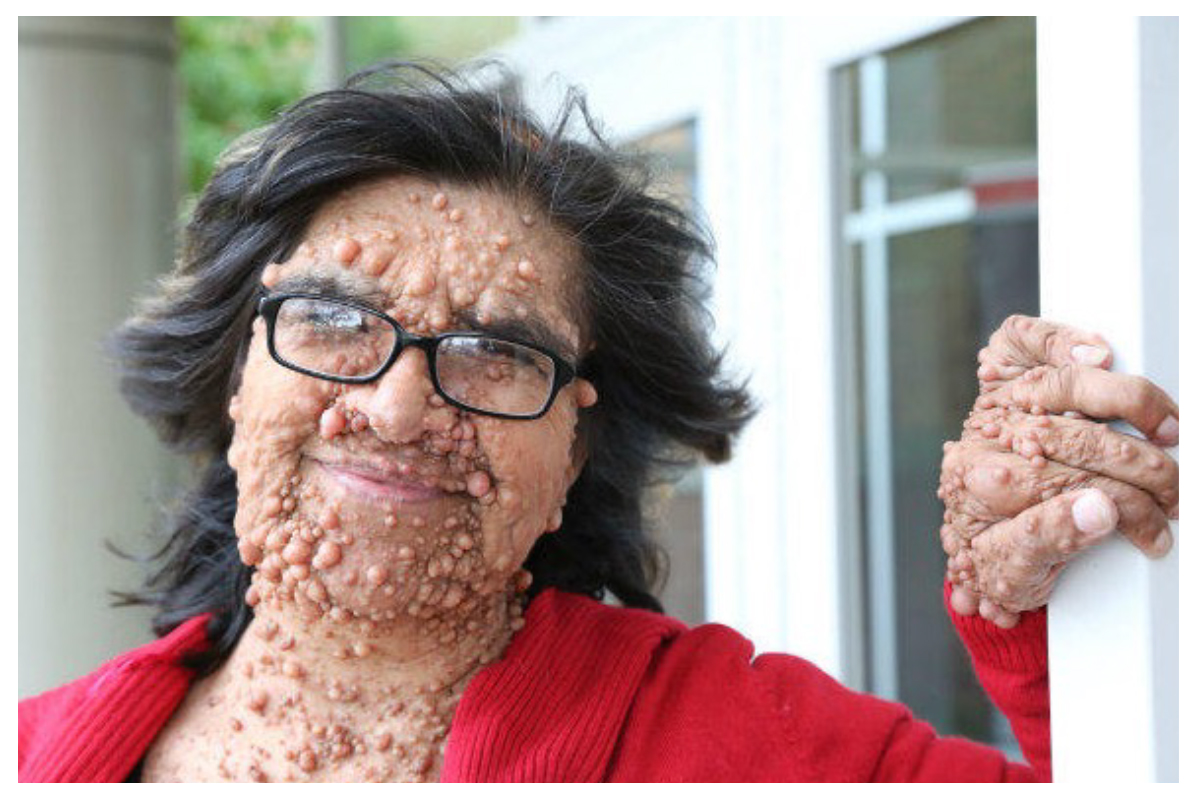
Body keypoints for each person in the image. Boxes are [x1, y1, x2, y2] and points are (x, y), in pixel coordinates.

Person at [18, 63, 1179, 782]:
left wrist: (1038, 617)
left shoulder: (753, 744)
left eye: (495, 350)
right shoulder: (33, 750)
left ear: (575, 446)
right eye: (331, 318)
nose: (397, 403)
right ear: (234, 373)